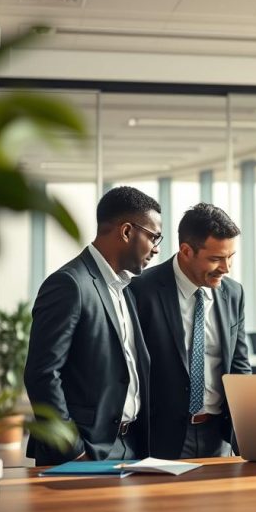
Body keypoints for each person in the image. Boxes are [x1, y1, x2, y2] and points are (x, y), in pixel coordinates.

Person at [23, 186, 161, 465]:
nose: (156, 248)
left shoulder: (125, 289)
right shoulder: (69, 284)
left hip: (130, 446)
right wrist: (74, 451)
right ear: (126, 232)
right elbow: (42, 374)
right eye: (154, 236)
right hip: (84, 452)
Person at [132, 203, 251, 459]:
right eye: (216, 258)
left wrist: (246, 430)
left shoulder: (233, 293)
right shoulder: (141, 290)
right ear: (186, 251)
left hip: (219, 436)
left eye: (231, 257)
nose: (226, 267)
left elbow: (240, 365)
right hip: (161, 437)